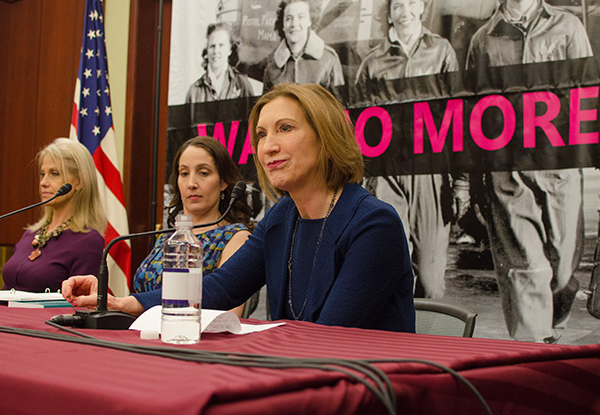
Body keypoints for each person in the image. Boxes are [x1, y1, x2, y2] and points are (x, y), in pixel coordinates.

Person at [63, 83, 415, 333]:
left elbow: (328, 335)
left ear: (326, 137)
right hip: (302, 380)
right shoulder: (282, 217)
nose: (268, 146)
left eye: (285, 128)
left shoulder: (373, 223)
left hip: (369, 392)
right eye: (261, 135)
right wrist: (129, 302)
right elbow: (221, 287)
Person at [465, 0, 593, 342]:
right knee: (525, 268)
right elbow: (471, 111)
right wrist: (471, 178)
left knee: (562, 270)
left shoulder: (568, 27)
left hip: (560, 169)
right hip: (507, 172)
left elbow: (589, 94)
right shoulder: (483, 40)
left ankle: (549, 331)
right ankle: (532, 353)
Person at [355, 0, 468, 298]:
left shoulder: (442, 51)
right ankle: (397, 344)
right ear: (389, 14)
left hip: (431, 173)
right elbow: (355, 127)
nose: (403, 13)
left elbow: (457, 118)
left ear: (422, 7)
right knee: (393, 269)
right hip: (386, 175)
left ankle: (424, 341)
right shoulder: (373, 63)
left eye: (410, 4)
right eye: (396, 7)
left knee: (431, 281)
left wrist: (461, 181)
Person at [131, 136, 253, 317]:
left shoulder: (236, 237)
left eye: (203, 173)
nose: (191, 184)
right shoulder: (168, 238)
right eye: (184, 173)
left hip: (193, 339)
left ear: (223, 182)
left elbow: (230, 316)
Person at [1, 138, 106, 293]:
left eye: (54, 174)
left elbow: (79, 306)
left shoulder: (88, 242)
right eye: (42, 174)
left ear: (79, 182)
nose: (43, 182)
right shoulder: (30, 235)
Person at [262, 0, 344, 91]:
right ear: (282, 25)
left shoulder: (329, 60)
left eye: (301, 17)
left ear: (310, 20)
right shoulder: (272, 67)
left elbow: (339, 105)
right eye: (288, 18)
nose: (294, 24)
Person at [185, 22, 254, 103]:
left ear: (230, 50)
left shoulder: (243, 85)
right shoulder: (194, 92)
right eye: (212, 46)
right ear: (207, 51)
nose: (216, 51)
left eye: (221, 45)